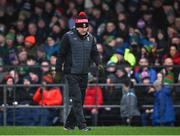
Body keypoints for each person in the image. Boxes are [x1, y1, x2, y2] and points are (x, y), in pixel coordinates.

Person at [56, 11, 103, 131]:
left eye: (86, 26)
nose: (84, 29)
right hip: (71, 73)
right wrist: (58, 71)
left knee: (80, 101)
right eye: (81, 27)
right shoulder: (68, 36)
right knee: (77, 99)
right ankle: (83, 126)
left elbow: (95, 53)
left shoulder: (91, 38)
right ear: (76, 26)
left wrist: (99, 64)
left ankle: (69, 125)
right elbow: (61, 55)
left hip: (84, 73)